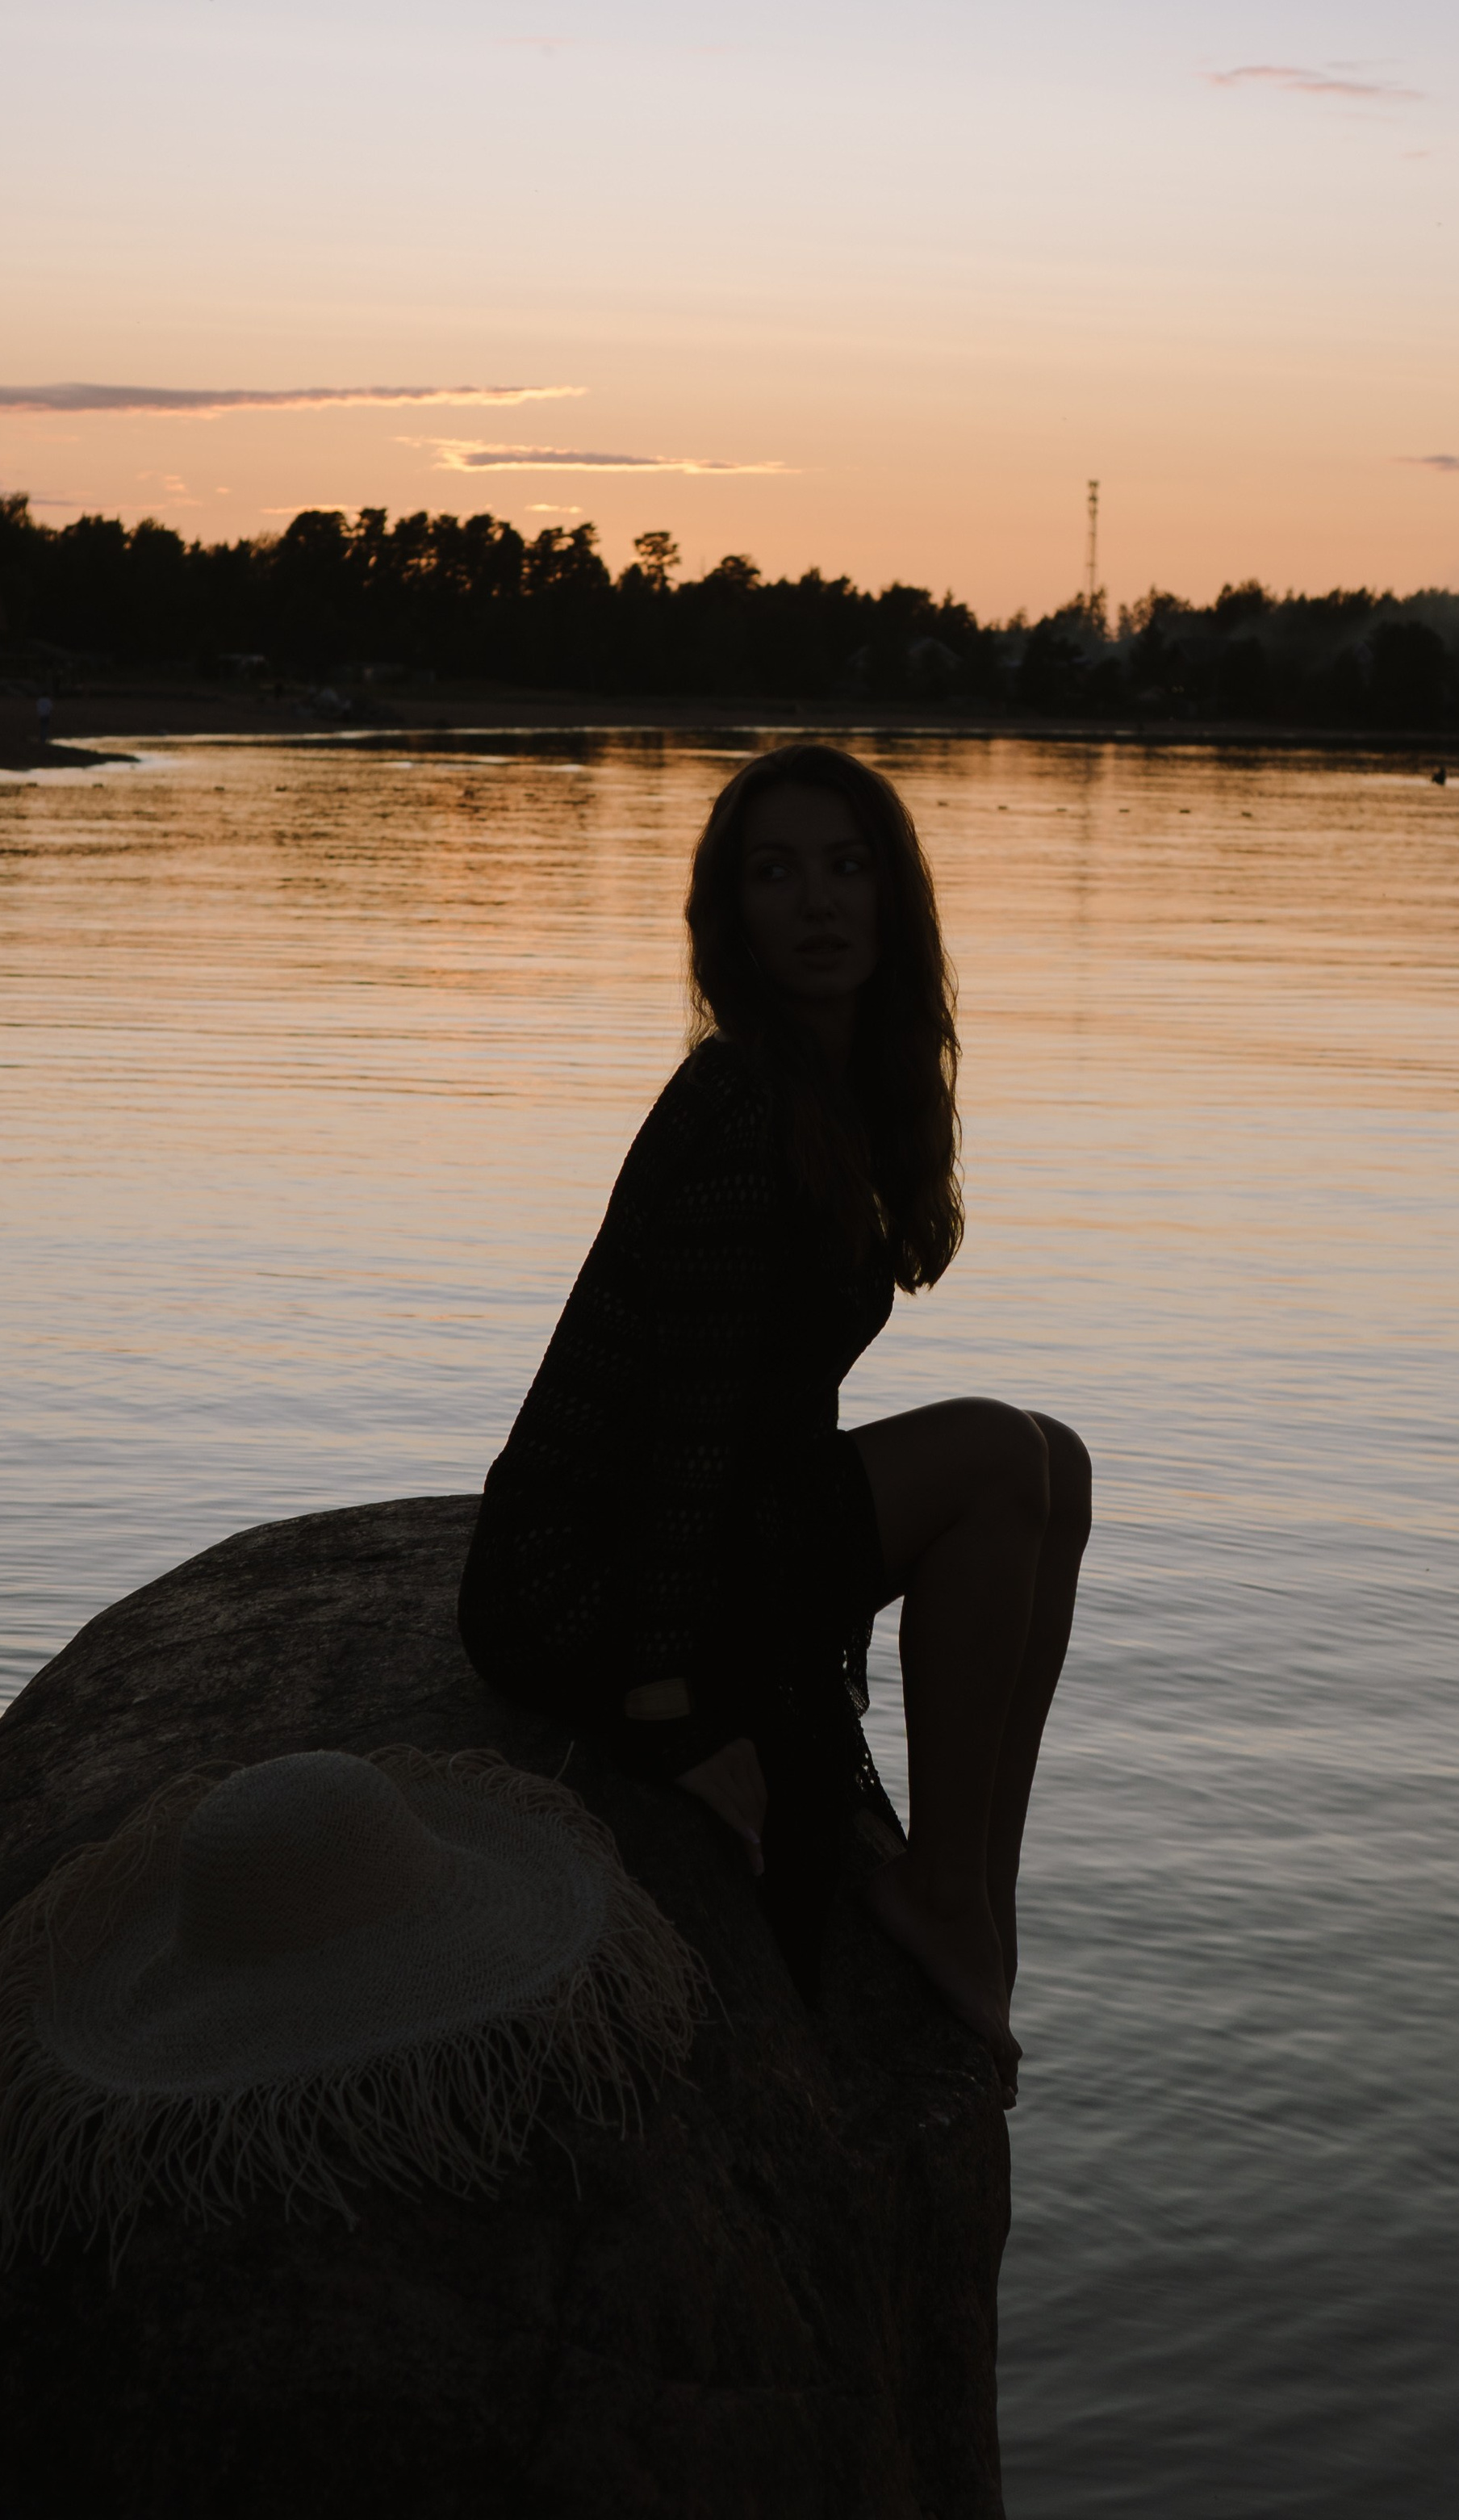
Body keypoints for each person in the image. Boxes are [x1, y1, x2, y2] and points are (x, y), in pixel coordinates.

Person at [458, 744, 1089, 2098]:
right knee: (995, 1455)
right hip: (591, 1574)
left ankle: (972, 1887)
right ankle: (947, 1895)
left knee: (1060, 1463)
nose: (818, 902)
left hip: (715, 1517)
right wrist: (673, 1717)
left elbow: (768, 1402)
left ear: (893, 897)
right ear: (731, 913)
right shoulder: (738, 1105)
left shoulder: (844, 1091)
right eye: (777, 872)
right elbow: (688, 1421)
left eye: (848, 866)